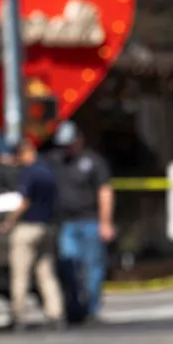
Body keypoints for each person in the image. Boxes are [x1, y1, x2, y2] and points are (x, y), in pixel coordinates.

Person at [48, 121, 115, 322]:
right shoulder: (56, 161)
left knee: (92, 266)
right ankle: (75, 308)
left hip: (90, 221)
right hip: (66, 223)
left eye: (70, 143)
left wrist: (106, 222)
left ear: (79, 140)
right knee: (69, 265)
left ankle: (92, 308)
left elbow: (105, 192)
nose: (67, 148)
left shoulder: (93, 162)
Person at [0, 139, 64, 331]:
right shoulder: (48, 171)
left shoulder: (29, 173)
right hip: (48, 226)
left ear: (26, 152)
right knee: (46, 273)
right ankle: (55, 312)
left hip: (28, 227)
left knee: (20, 273)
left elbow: (24, 201)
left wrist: (9, 222)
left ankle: (18, 315)